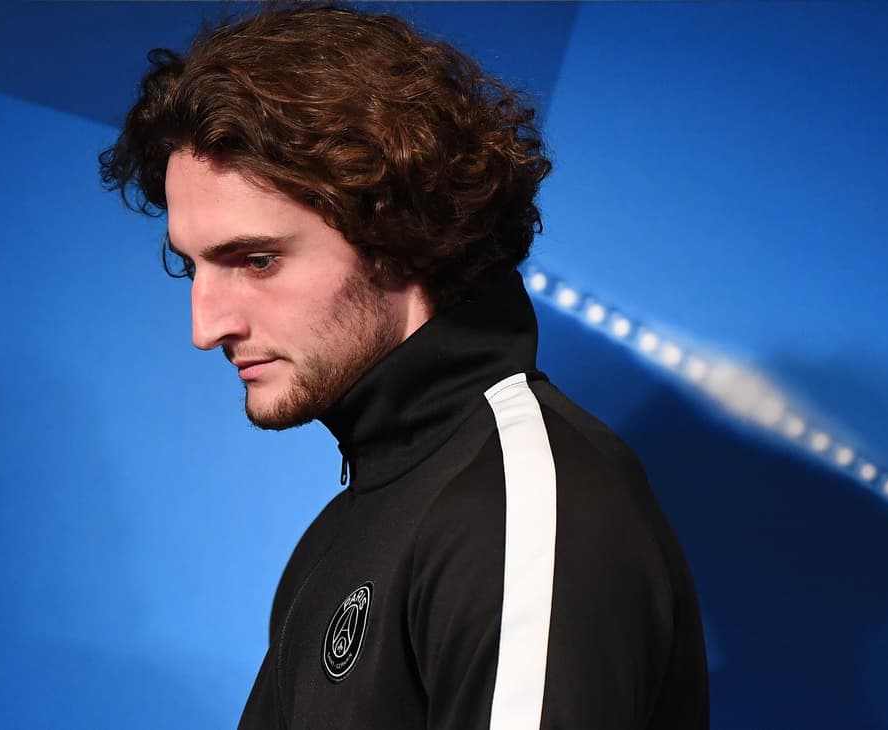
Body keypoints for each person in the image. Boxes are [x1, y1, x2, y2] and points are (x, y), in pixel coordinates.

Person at [100, 4, 709, 728]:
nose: (207, 327)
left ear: (400, 234)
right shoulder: (353, 525)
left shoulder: (522, 505)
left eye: (257, 260)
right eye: (190, 267)